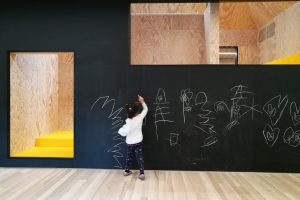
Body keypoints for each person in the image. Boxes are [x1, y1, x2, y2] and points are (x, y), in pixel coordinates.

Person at [118, 95, 148, 180]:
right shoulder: (140, 118)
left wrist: (123, 128)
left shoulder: (128, 124)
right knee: (140, 157)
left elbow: (121, 132)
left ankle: (127, 171)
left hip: (130, 143)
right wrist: (142, 102)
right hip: (138, 142)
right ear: (137, 112)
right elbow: (145, 110)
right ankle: (141, 173)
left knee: (129, 157)